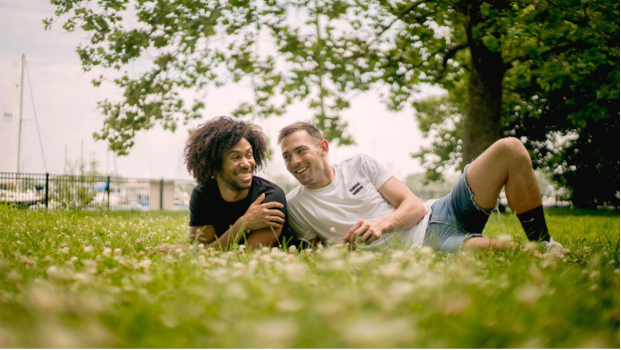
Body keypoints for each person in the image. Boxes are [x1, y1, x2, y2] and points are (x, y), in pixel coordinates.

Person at [278, 121, 564, 255]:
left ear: (323, 148)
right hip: (426, 244)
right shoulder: (297, 205)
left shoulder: (360, 165)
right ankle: (539, 253)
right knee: (514, 253)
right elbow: (313, 253)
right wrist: (338, 252)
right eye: (287, 156)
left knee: (509, 149)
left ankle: (543, 240)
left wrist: (381, 224)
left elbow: (413, 206)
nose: (295, 161)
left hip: (443, 209)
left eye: (301, 151)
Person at [153, 116, 296, 253]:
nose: (246, 164)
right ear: (215, 164)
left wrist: (189, 250)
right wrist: (243, 224)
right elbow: (200, 248)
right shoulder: (203, 194)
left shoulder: (270, 196)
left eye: (249, 155)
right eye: (235, 157)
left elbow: (246, 255)